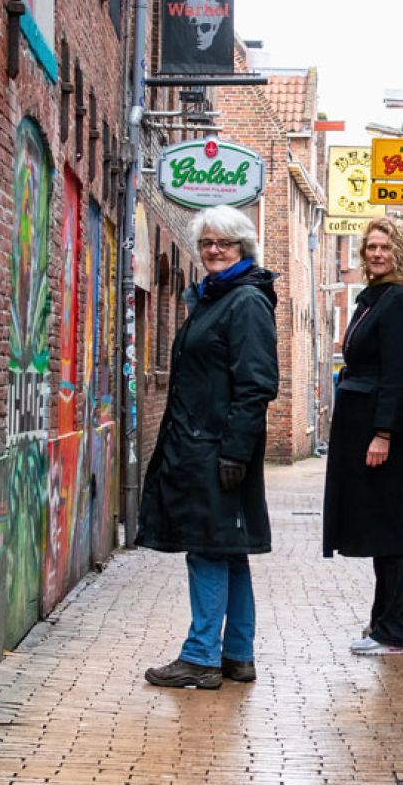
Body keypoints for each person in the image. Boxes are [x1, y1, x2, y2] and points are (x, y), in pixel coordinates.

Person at [137, 205, 279, 690]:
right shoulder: (218, 298)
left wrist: (234, 452)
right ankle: (237, 654)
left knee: (205, 549)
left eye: (225, 243)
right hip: (206, 446)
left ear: (244, 247)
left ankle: (200, 656)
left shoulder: (245, 302)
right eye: (207, 244)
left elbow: (256, 384)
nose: (214, 251)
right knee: (226, 549)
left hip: (216, 450)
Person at [323, 216, 403, 656]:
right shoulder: (374, 300)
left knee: (391, 532)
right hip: (362, 425)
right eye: (371, 247)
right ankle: (382, 623)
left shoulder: (400, 302)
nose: (377, 254)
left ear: (400, 253)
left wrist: (382, 433)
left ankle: (398, 632)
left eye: (385, 247)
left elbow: (399, 375)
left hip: (383, 431)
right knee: (379, 529)